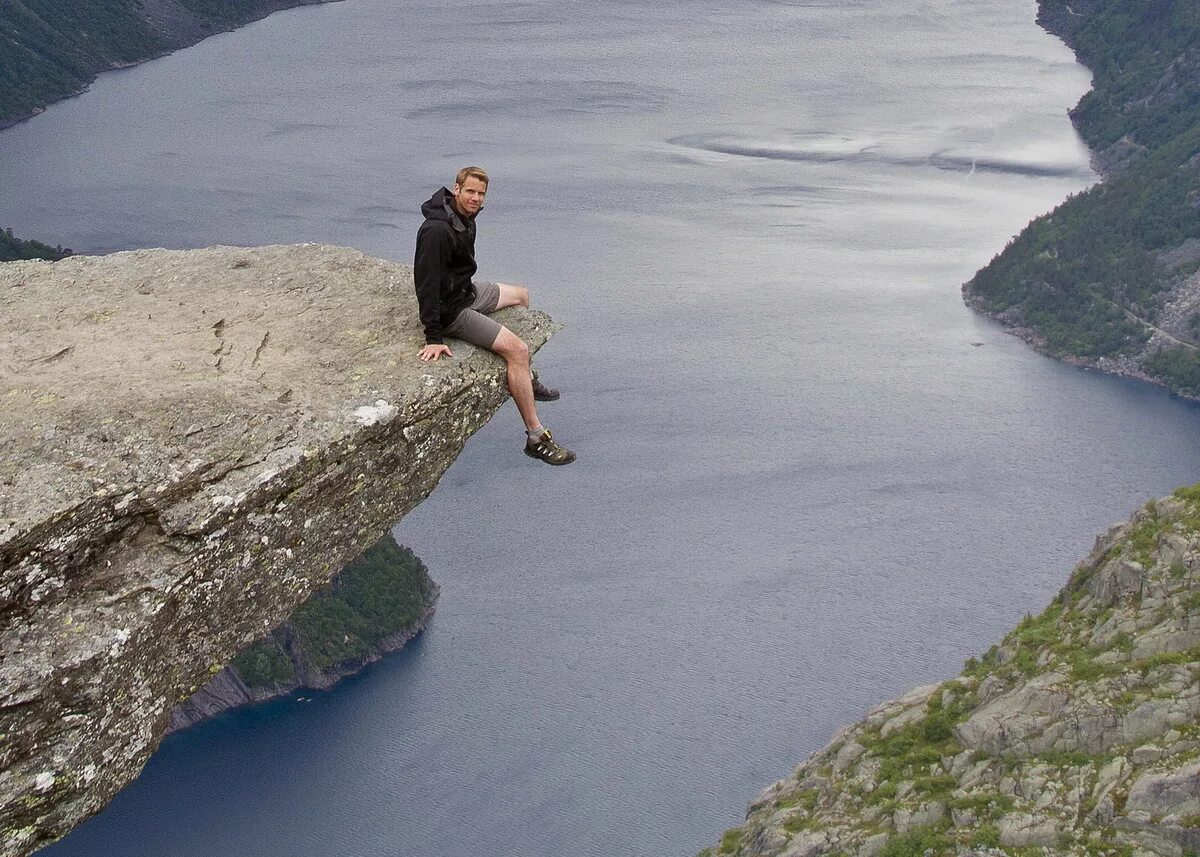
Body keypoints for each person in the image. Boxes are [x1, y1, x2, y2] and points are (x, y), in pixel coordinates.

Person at [413, 166, 576, 465]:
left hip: (468, 292)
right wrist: (433, 336)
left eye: (481, 194)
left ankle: (525, 377)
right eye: (470, 191)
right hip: (453, 312)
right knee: (517, 350)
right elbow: (426, 285)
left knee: (521, 295)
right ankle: (536, 437)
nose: (476, 198)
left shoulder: (462, 216)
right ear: (456, 189)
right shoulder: (436, 231)